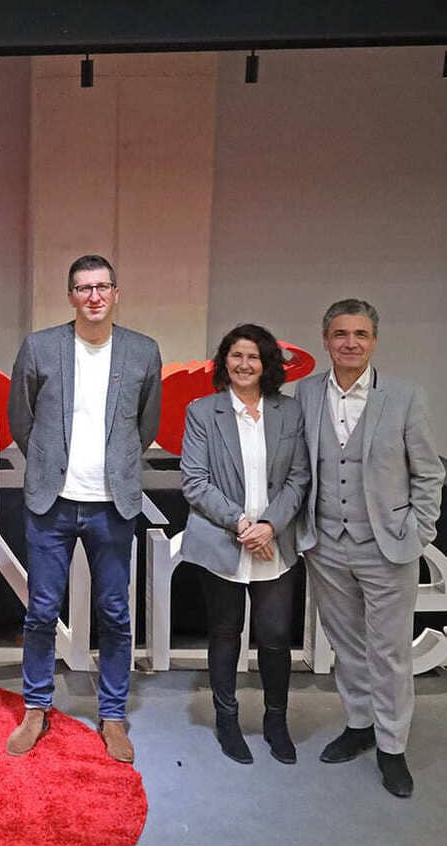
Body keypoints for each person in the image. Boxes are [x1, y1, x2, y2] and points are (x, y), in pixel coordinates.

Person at [6, 254, 162, 763]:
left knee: (116, 613)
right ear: (70, 296)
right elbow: (21, 421)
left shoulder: (142, 352)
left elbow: (147, 426)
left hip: (112, 504)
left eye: (102, 287)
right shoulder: (40, 347)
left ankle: (112, 715)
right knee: (41, 611)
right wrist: (51, 464)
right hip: (51, 503)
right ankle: (36, 707)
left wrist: (114, 467)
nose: (93, 297)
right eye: (83, 288)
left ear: (116, 293)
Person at [295, 298, 443, 798]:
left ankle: (392, 746)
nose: (350, 343)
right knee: (348, 645)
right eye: (341, 334)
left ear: (374, 341)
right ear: (326, 340)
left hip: (388, 546)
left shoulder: (405, 397)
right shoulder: (305, 394)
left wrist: (418, 531)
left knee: (390, 651)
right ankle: (358, 724)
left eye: (360, 334)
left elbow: (429, 472)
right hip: (327, 544)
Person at [179, 324, 309, 764]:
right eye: (236, 355)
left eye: (253, 356)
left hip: (275, 543)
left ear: (267, 363)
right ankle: (227, 721)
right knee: (224, 633)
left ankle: (276, 723)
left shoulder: (289, 412)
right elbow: (195, 482)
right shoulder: (202, 411)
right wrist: (242, 525)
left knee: (274, 637)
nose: (244, 364)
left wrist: (269, 525)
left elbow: (299, 478)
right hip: (222, 541)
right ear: (224, 362)